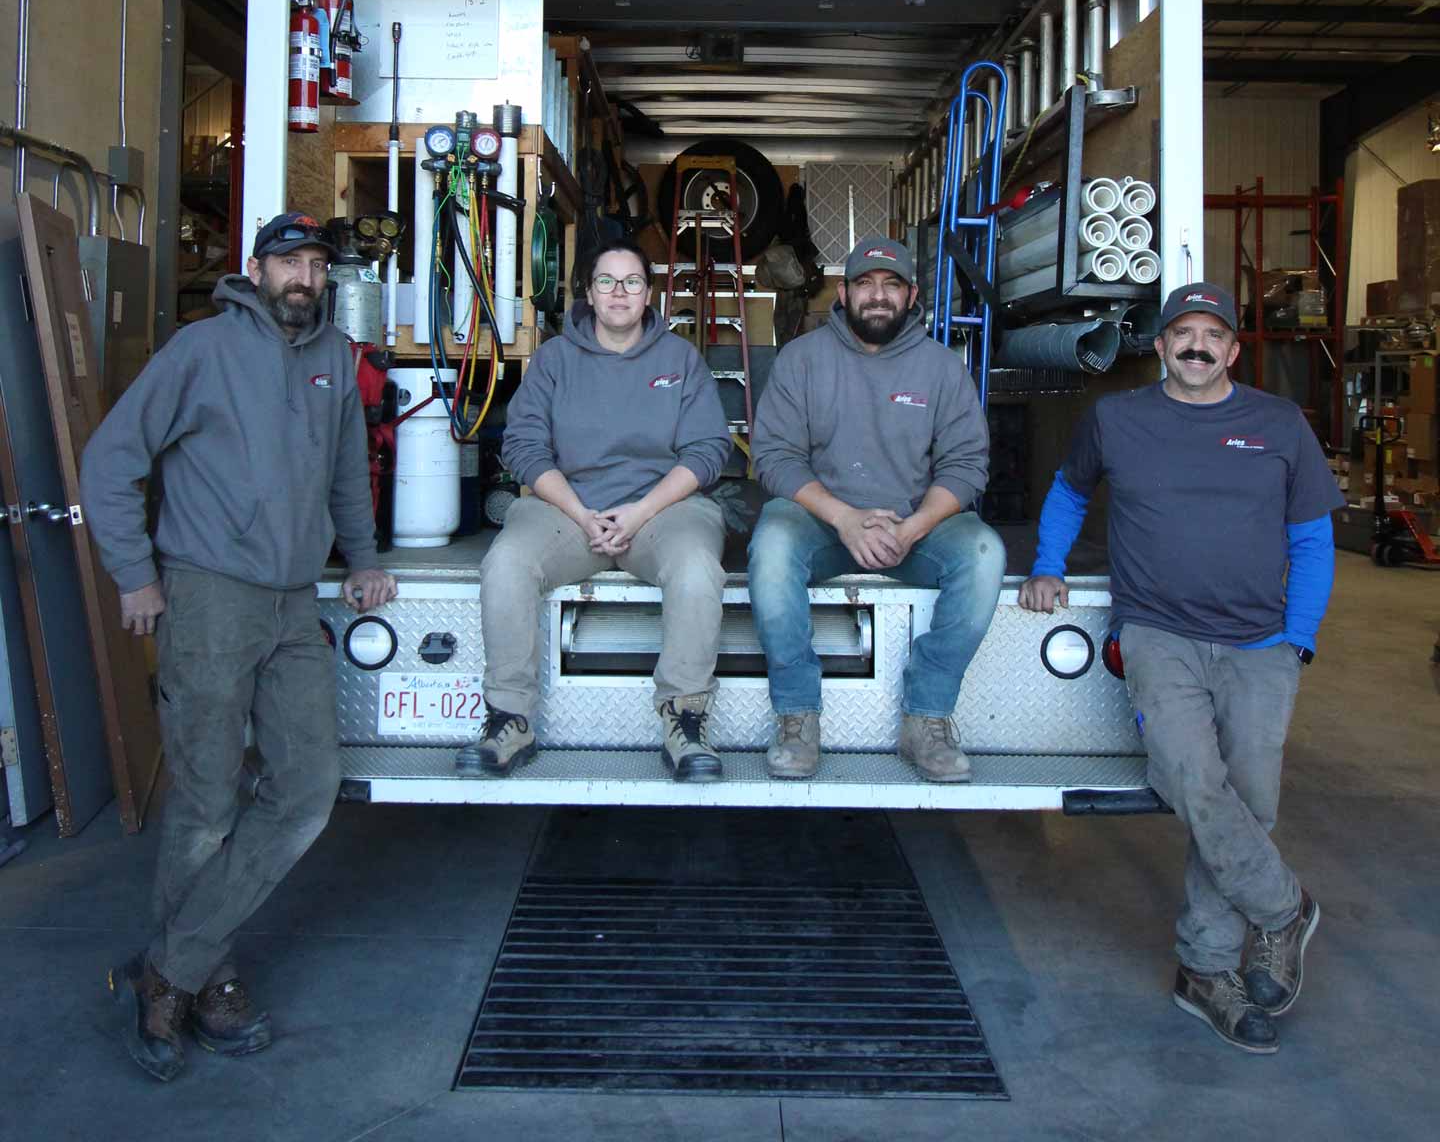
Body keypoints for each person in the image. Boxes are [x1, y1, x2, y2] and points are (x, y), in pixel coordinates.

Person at [80, 212, 397, 1082]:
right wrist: (135, 576)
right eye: (289, 261)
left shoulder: (338, 360)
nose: (304, 277)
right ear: (254, 269)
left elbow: (343, 474)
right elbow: (111, 462)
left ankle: (169, 970)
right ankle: (206, 983)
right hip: (211, 597)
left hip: (296, 604)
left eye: (317, 266)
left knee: (305, 790)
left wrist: (363, 560)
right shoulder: (200, 351)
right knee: (208, 800)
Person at [1019, 282, 1342, 1055]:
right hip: (1159, 633)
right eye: (1182, 333)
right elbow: (1068, 492)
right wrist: (1047, 564)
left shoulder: (1278, 424)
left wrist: (1298, 638)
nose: (1197, 345)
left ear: (1233, 349)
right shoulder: (1118, 419)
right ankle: (1283, 908)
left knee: (1246, 801)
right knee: (1192, 781)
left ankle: (1204, 971)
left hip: (1260, 643)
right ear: (1160, 346)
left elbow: (1313, 539)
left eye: (1213, 335)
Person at [461, 241, 732, 781]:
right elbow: (524, 447)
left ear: (649, 294)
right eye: (606, 281)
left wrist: (639, 512)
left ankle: (685, 721)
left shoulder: (680, 360)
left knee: (698, 568)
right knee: (507, 561)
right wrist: (583, 514)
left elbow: (707, 451)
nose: (619, 293)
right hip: (567, 509)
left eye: (632, 281)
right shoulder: (555, 360)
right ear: (588, 293)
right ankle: (510, 717)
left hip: (662, 511)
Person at [748, 235, 1005, 782]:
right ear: (843, 292)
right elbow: (774, 458)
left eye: (892, 285)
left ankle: (927, 718)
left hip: (911, 528)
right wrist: (844, 518)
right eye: (865, 283)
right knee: (771, 541)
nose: (878, 296)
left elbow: (965, 467)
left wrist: (912, 529)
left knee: (983, 551)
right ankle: (797, 715)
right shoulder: (801, 360)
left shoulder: (942, 368)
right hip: (821, 524)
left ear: (912, 296)